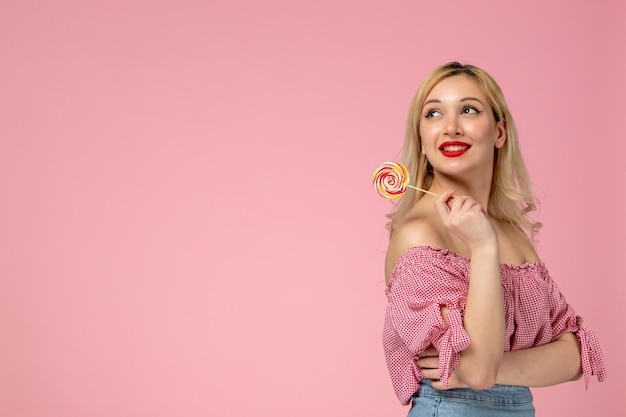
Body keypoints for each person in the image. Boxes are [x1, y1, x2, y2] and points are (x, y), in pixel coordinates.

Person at [382, 62, 606, 417]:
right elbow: (477, 370)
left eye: (468, 110)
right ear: (422, 140)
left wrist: (494, 369)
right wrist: (484, 248)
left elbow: (577, 355)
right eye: (434, 113)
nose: (451, 127)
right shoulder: (419, 233)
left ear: (499, 132)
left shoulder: (510, 232)